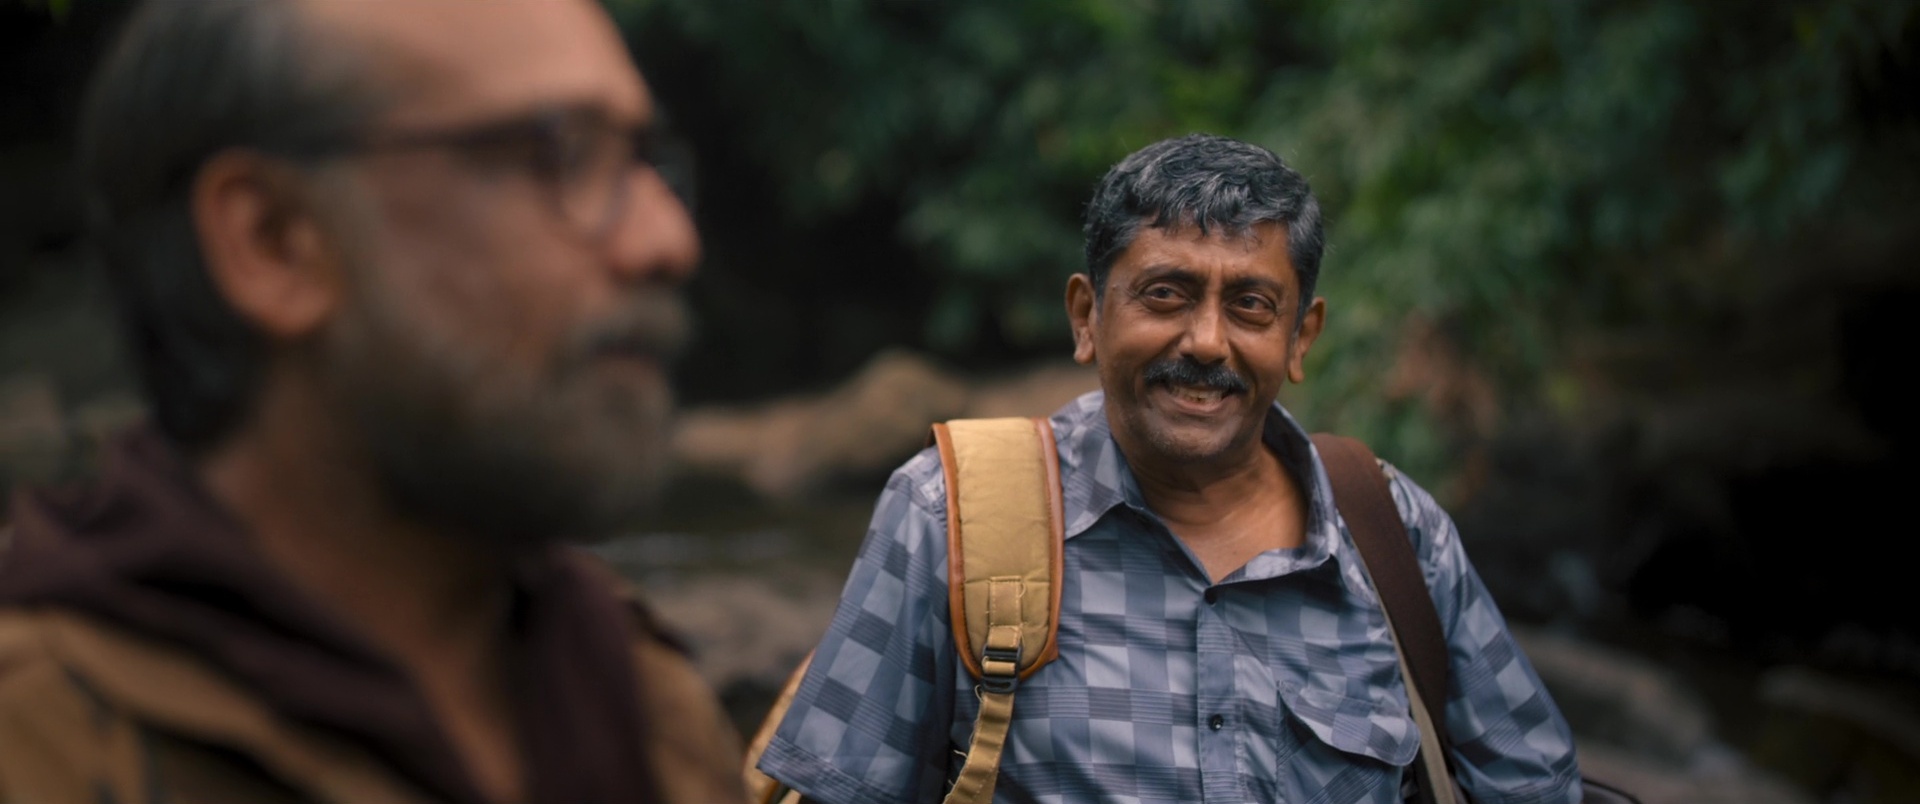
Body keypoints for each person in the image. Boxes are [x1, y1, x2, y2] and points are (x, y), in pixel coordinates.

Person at [0, 1, 745, 802]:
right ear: (273, 239)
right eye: (559, 155)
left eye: (642, 159)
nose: (666, 239)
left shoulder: (648, 714)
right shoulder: (41, 751)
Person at [757, 134, 1582, 804]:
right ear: (1087, 316)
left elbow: (1536, 788)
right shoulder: (951, 514)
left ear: (1300, 337)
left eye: (1251, 305)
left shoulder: (1392, 532)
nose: (1208, 342)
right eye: (1165, 294)